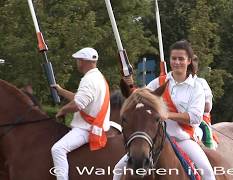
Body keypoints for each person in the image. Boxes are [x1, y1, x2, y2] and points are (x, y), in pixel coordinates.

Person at [114, 40, 215, 180]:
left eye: (181, 59)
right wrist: (130, 85)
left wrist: (167, 114)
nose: (177, 62)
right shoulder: (160, 81)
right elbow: (141, 96)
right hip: (157, 137)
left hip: (183, 138)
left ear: (189, 61)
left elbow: (196, 117)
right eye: (174, 58)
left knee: (207, 172)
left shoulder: (196, 87)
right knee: (118, 169)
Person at [51, 47, 111, 180]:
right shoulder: (97, 76)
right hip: (95, 125)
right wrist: (61, 90)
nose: (77, 63)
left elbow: (78, 104)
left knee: (57, 149)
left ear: (83, 61)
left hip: (86, 128)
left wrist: (62, 110)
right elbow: (79, 98)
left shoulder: (88, 80)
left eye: (78, 60)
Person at [192, 55, 219, 150]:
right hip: (179, 118)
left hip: (201, 120)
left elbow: (208, 107)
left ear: (195, 70)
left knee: (205, 130)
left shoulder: (201, 83)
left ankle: (210, 154)